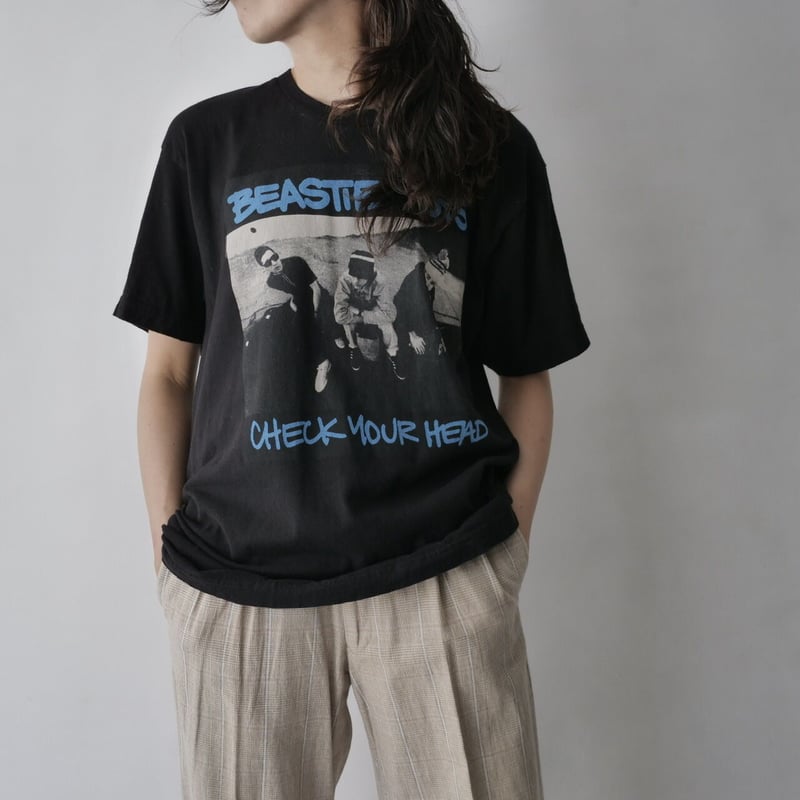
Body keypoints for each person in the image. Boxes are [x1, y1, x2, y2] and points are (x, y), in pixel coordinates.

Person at [111, 0, 590, 797]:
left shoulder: (487, 143)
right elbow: (167, 374)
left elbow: (527, 371)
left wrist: (502, 554)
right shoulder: (206, 141)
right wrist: (170, 554)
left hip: (443, 570)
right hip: (238, 583)